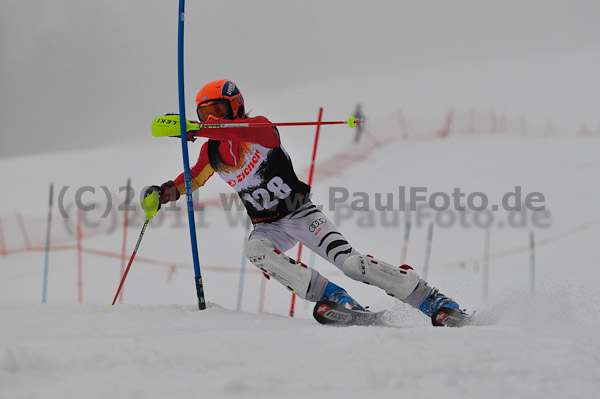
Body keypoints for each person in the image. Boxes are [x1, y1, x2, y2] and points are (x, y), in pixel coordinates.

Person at [144, 79, 468, 326]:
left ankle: (433, 299)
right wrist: (162, 193)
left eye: (219, 112)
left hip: (301, 214)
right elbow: (193, 179)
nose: (212, 118)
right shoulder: (211, 152)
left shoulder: (258, 131)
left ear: (236, 108)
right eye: (205, 113)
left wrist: (200, 126)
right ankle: (334, 298)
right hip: (268, 226)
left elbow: (258, 131)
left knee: (353, 265)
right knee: (254, 250)